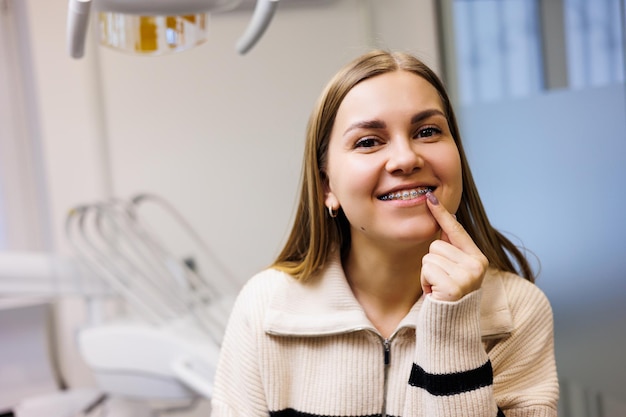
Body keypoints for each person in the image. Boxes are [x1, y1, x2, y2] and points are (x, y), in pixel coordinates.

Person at [210, 50, 559, 417]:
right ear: (326, 186)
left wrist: (453, 329)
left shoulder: (517, 312)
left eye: (427, 132)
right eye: (369, 141)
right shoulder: (265, 307)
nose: (406, 158)